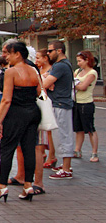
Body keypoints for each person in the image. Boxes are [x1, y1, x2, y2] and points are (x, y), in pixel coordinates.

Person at [0, 41, 40, 202]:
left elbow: (6, 100)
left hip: (16, 113)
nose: (6, 56)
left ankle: (1, 187)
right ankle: (28, 185)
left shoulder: (11, 72)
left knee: (7, 149)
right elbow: (40, 92)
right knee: (29, 149)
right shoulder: (33, 70)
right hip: (33, 111)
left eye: (9, 53)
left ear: (18, 54)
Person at [42, 40, 75, 179]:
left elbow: (45, 82)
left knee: (63, 135)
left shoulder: (61, 66)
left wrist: (48, 84)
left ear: (59, 51)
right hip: (60, 102)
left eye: (50, 51)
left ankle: (66, 168)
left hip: (60, 103)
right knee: (60, 135)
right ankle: (65, 164)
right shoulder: (62, 65)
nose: (48, 54)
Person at [73, 50, 99, 162]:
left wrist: (75, 84)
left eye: (80, 61)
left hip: (86, 103)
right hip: (77, 102)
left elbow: (83, 86)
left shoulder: (92, 73)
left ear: (87, 60)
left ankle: (94, 153)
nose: (78, 63)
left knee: (89, 128)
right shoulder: (78, 71)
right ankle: (77, 150)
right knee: (78, 129)